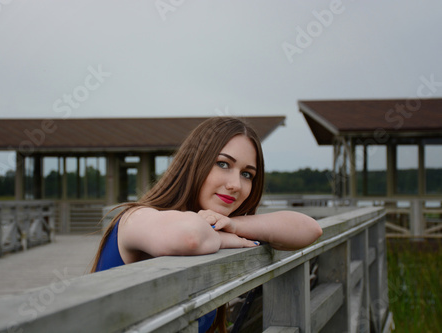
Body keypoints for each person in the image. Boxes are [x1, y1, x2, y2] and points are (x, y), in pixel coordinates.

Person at [91, 116, 323, 333]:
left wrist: (232, 225)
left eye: (247, 174)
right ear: (193, 163)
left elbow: (310, 229)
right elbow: (191, 237)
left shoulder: (219, 230)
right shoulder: (137, 217)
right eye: (223, 164)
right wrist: (224, 238)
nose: (236, 184)